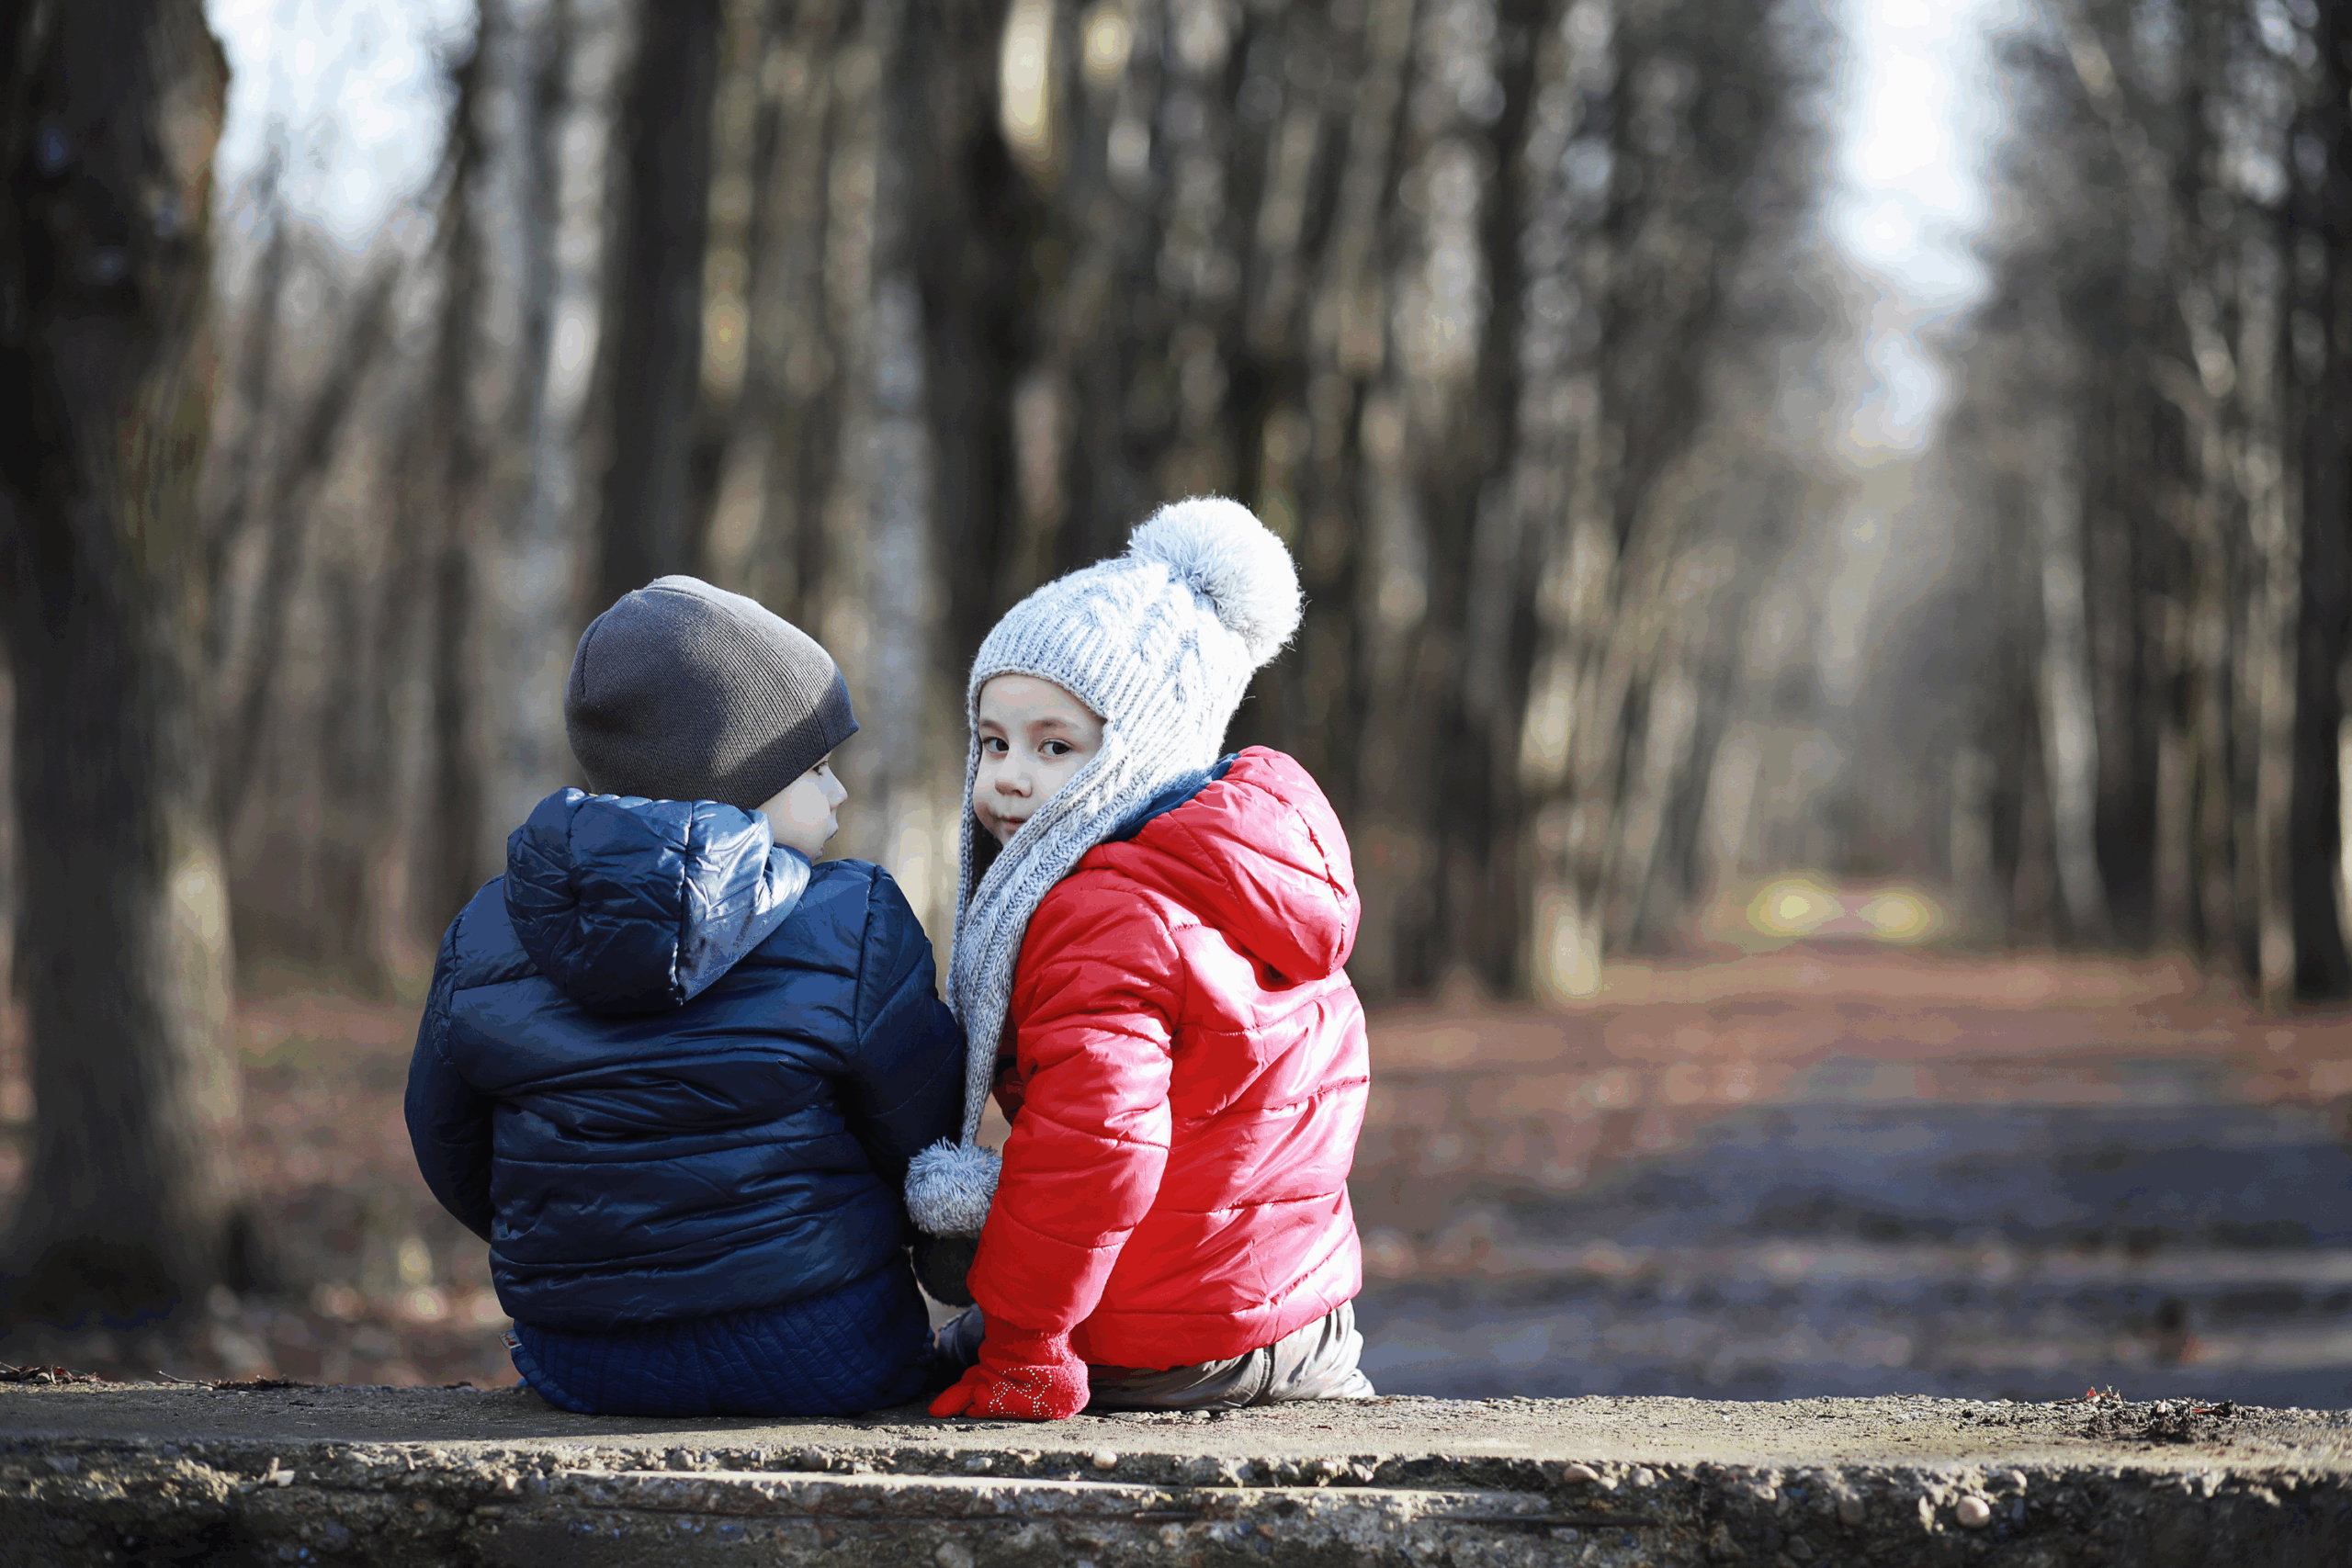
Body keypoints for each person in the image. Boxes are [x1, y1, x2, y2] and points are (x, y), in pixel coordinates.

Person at [405, 575, 964, 1416]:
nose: (839, 790)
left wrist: (589, 1245)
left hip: (579, 1358)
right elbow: (923, 1138)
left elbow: (448, 1145)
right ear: (737, 778)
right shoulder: (856, 918)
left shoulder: (488, 929)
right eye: (815, 765)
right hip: (822, 1345)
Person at [907, 499, 1374, 1420]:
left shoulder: (1104, 915)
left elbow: (1095, 1150)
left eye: (1055, 747)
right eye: (992, 742)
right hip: (1305, 1313)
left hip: (1168, 1340)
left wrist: (1027, 1346)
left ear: (1142, 753)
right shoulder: (1247, 868)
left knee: (896, 1372)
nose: (1006, 775)